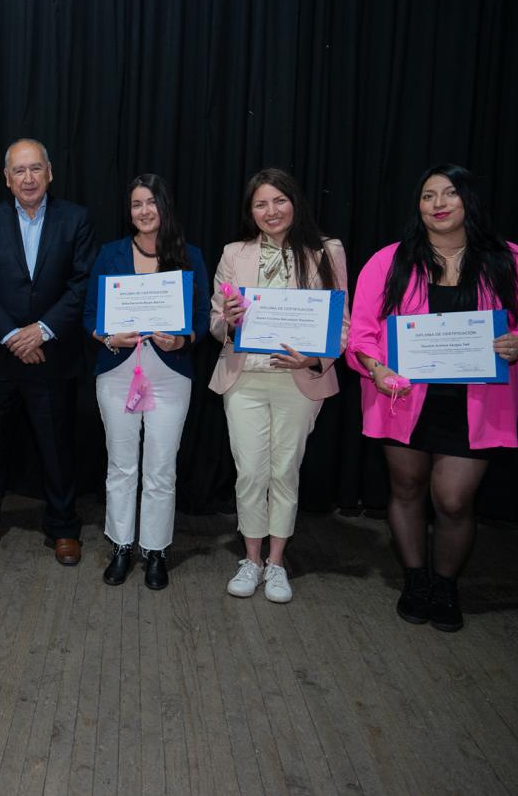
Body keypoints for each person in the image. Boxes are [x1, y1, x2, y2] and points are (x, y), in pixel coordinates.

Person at [348, 164, 518, 632]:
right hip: (402, 398)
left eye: (449, 193)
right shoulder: (390, 261)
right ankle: (416, 579)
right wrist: (376, 368)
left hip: (476, 404)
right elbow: (361, 333)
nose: (438, 204)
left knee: (454, 500)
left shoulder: (507, 259)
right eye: (428, 196)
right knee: (405, 489)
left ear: (468, 200)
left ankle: (446, 584)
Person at [209, 168, 349, 604]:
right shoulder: (234, 253)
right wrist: (230, 323)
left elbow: (342, 322)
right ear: (250, 211)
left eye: (279, 200)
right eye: (261, 204)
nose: (271, 211)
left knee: (284, 471)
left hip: (297, 379)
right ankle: (251, 559)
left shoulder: (327, 251)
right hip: (245, 378)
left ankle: (276, 562)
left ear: (294, 202)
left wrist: (314, 358)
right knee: (251, 471)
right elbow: (215, 320)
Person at [0, 138, 94, 566]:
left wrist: (42, 331)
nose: (28, 178)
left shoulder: (76, 219)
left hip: (53, 355)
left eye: (36, 168)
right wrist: (13, 336)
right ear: (7, 178)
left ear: (50, 173)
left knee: (57, 450)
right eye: (19, 170)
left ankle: (63, 527)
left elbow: (81, 283)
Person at [83, 174, 208, 589]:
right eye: (136, 204)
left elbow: (202, 318)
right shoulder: (110, 254)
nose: (144, 211)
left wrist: (182, 339)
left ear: (164, 206)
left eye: (151, 202)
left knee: (161, 468)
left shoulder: (189, 255)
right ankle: (121, 545)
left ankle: (156, 550)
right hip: (118, 373)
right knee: (121, 466)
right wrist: (108, 337)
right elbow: (90, 315)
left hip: (170, 376)